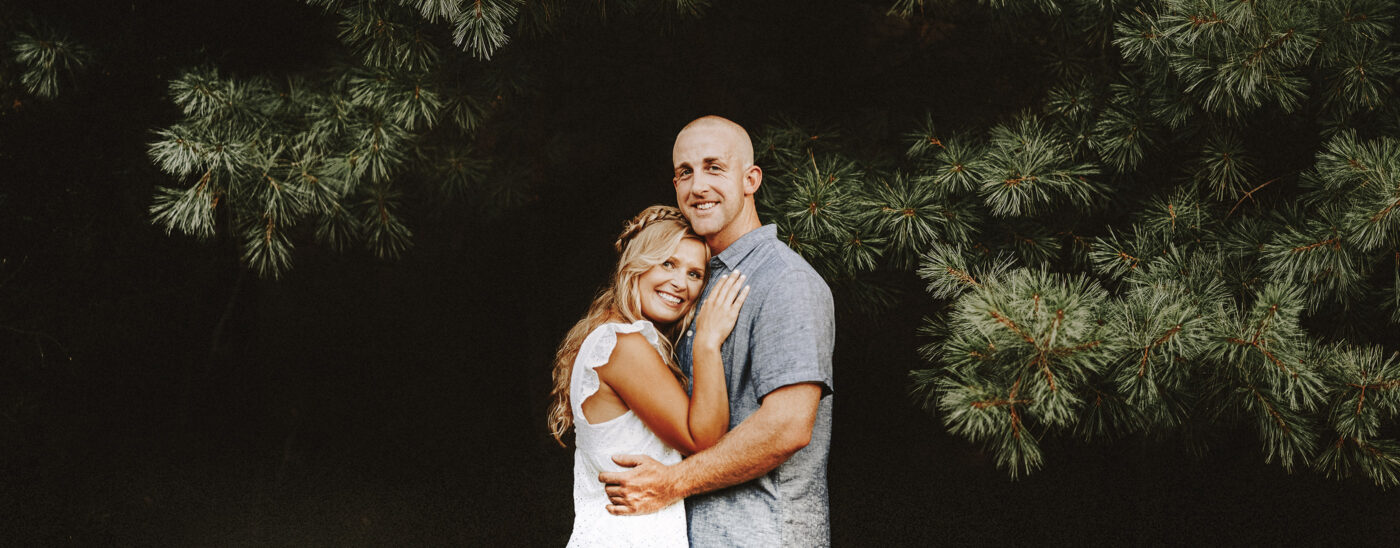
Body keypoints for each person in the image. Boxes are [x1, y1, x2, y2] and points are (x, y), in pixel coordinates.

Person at [599, 116, 836, 547]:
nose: (698, 186)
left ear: (751, 179)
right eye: (685, 172)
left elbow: (788, 426)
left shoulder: (785, 281)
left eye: (714, 167)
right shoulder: (693, 283)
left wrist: (672, 483)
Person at [548, 205, 751, 547]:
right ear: (636, 266)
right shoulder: (622, 344)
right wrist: (707, 342)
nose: (679, 283)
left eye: (695, 274)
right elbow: (703, 441)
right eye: (668, 263)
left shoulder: (609, 336)